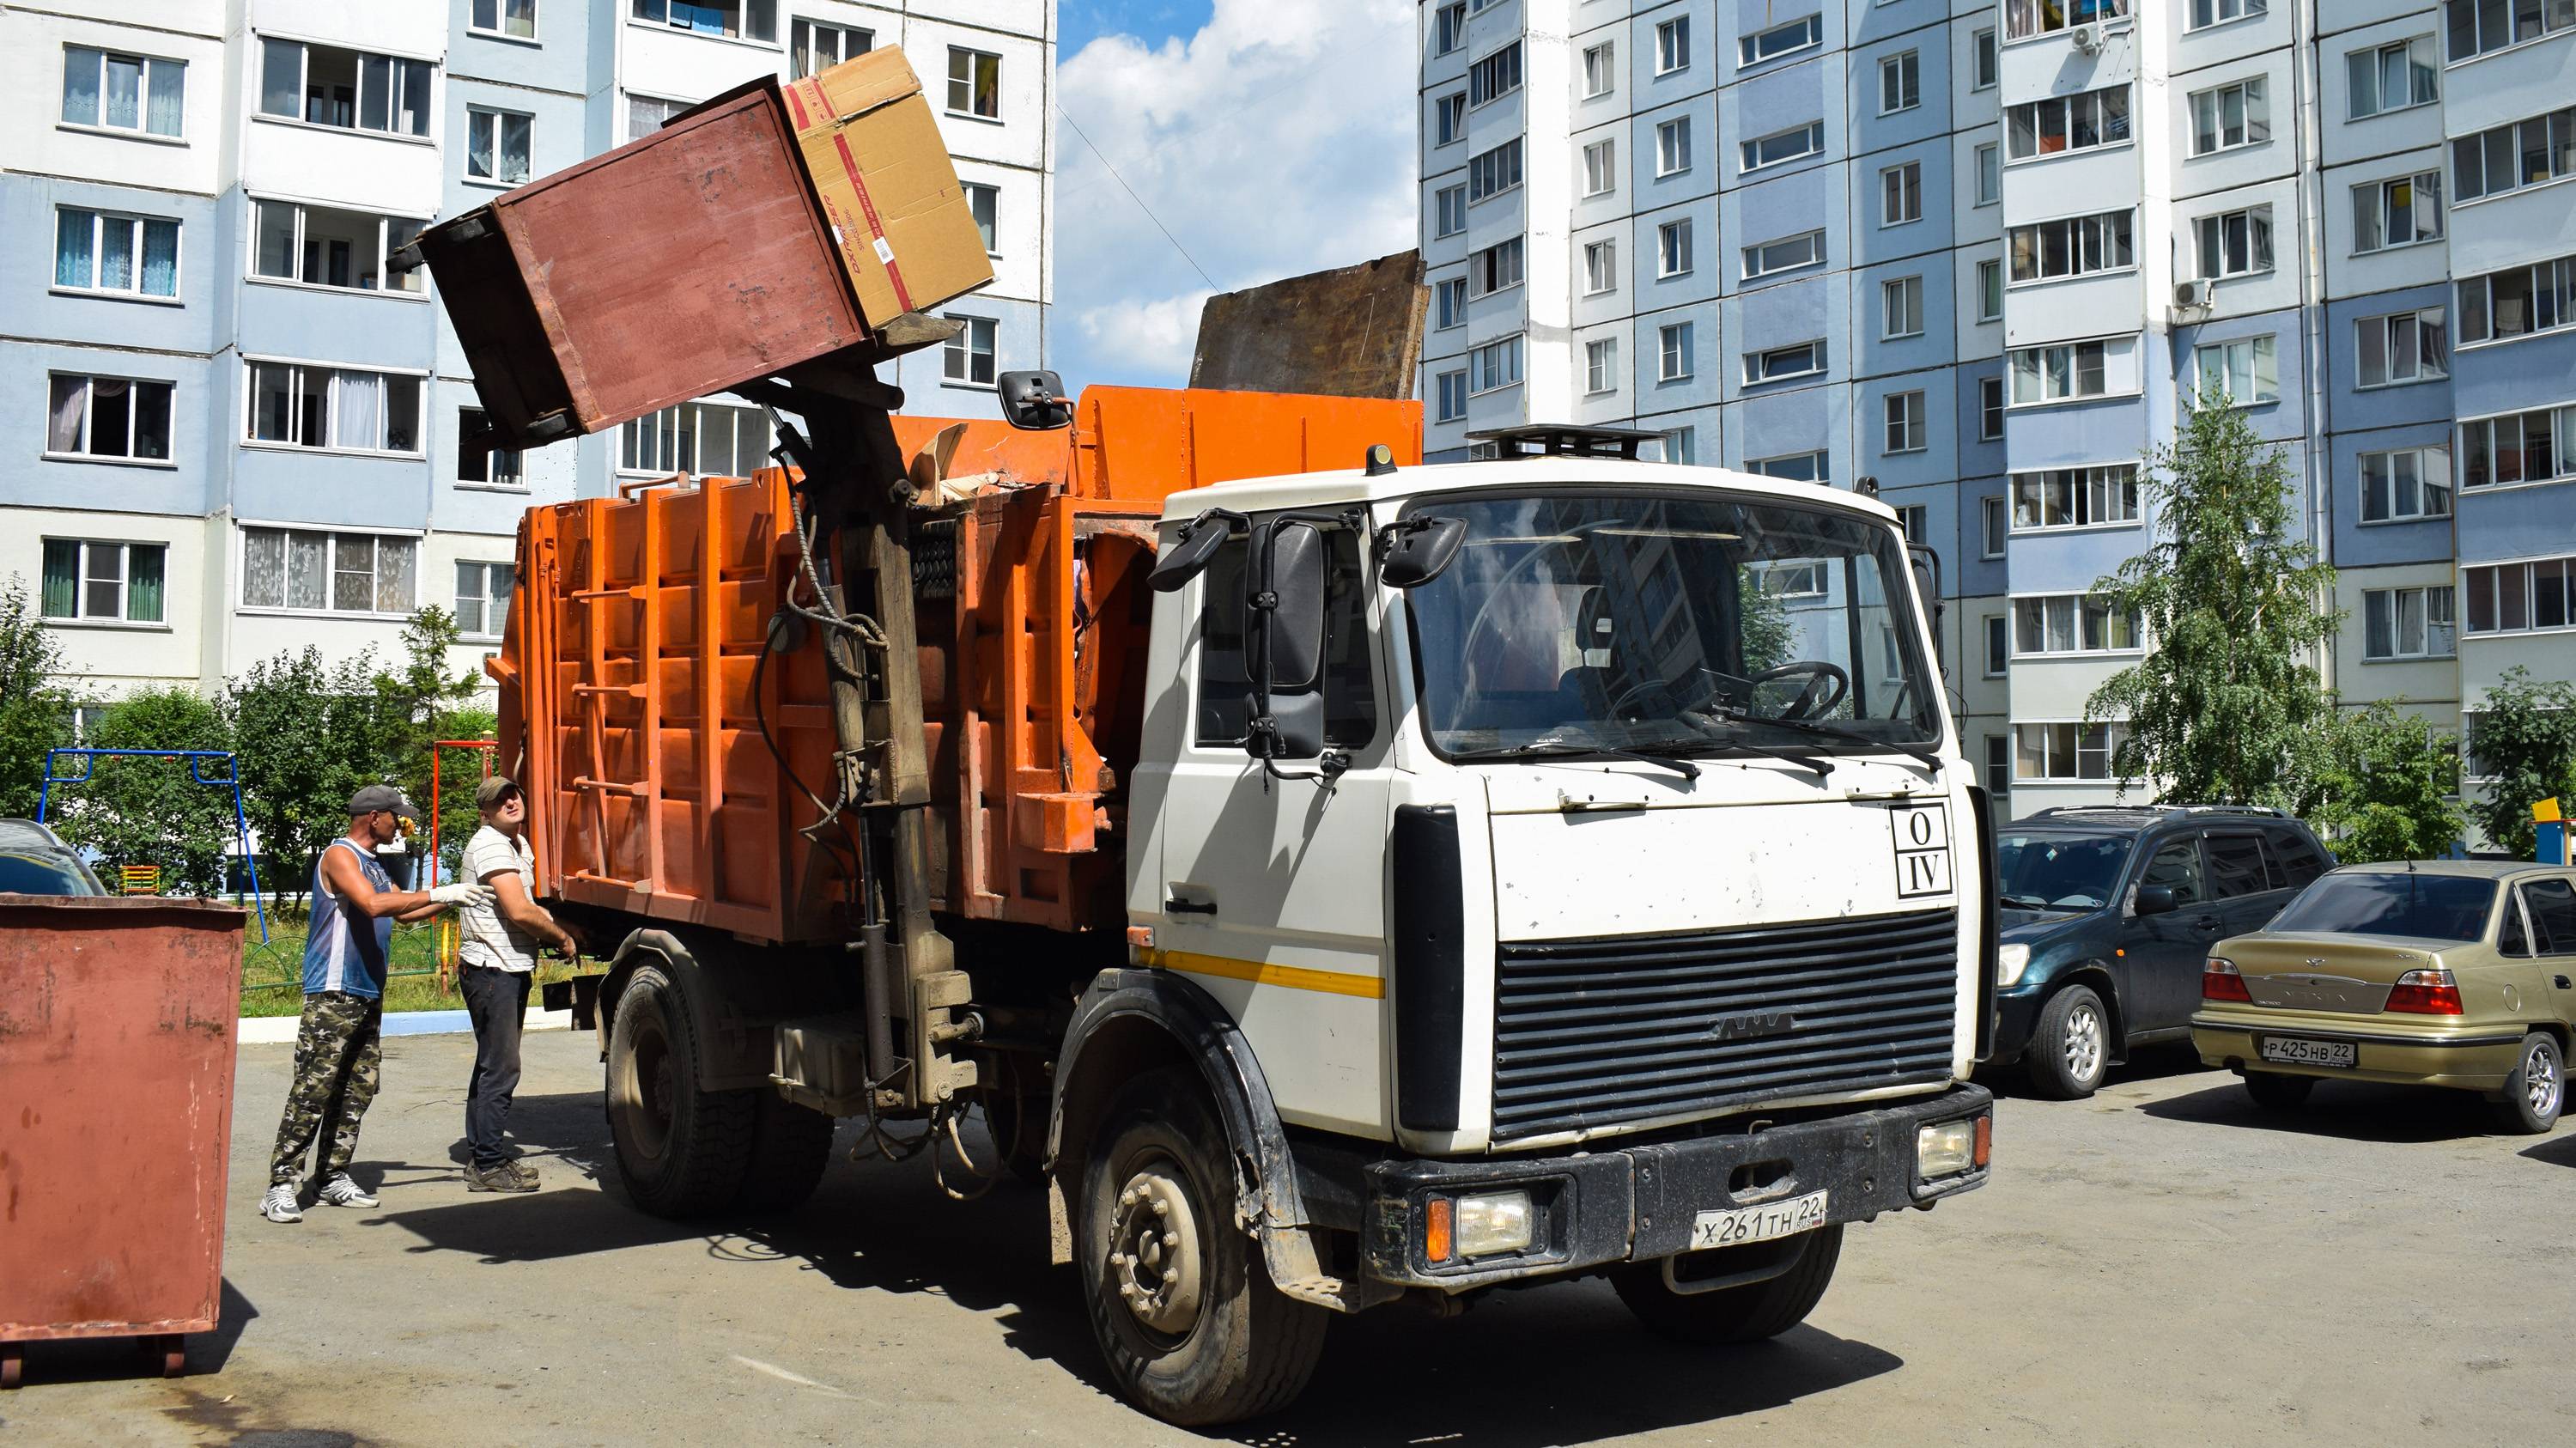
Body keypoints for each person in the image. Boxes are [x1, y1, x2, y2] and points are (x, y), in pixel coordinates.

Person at [264, 785, 492, 1224]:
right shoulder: (340, 856)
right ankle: (281, 1185)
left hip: (367, 991)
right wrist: (440, 894)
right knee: (313, 1090)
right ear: (374, 817)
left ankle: (332, 1177)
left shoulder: (373, 863)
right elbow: (371, 905)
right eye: (396, 817)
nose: (401, 825)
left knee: (356, 1089)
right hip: (334, 990)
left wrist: (460, 897)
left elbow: (401, 912)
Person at [456, 775, 579, 1193]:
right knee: (502, 1067)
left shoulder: (517, 844)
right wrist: (561, 938)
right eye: (499, 800)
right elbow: (519, 911)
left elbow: (530, 905)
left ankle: (483, 1156)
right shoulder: (491, 844)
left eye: (513, 795)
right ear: (485, 813)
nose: (510, 802)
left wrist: (564, 923)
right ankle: (488, 1164)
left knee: (491, 1063)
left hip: (502, 968)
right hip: (492, 970)